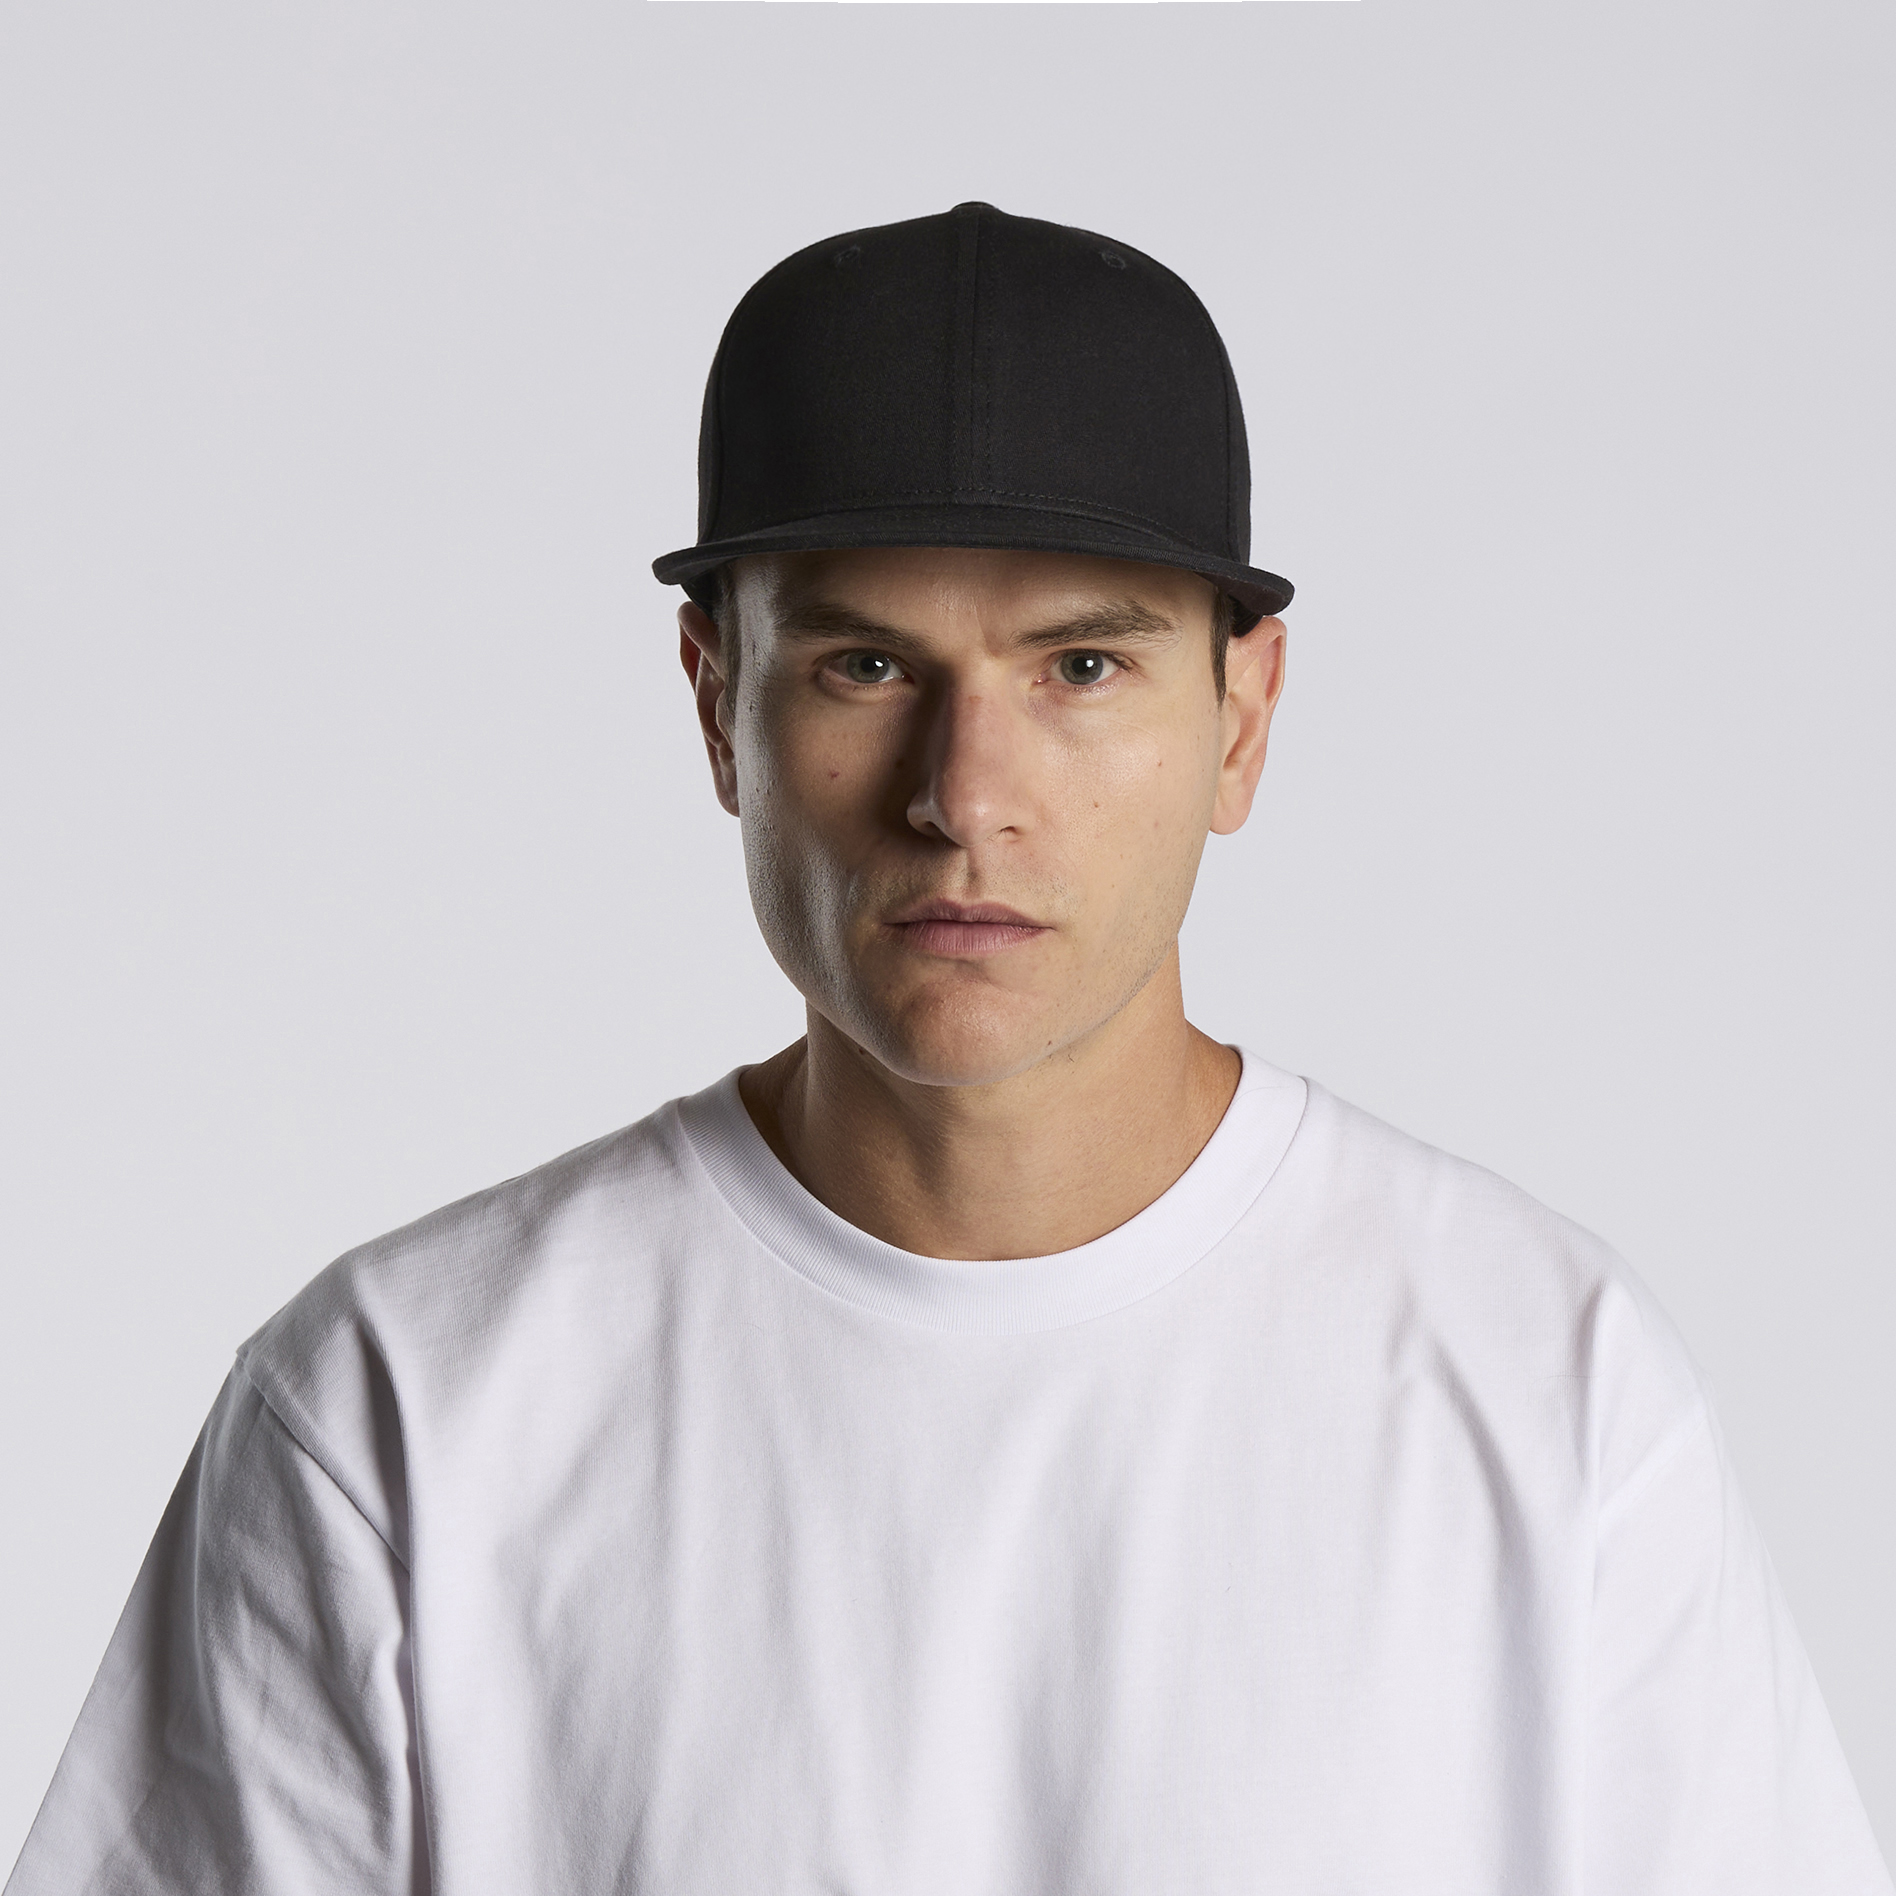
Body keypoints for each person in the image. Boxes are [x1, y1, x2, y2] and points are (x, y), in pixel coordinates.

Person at [8, 201, 1889, 1896]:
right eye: (866, 666)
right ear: (718, 704)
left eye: (1082, 667)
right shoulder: (403, 1404)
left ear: (1241, 717)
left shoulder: (1548, 1390)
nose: (964, 796)